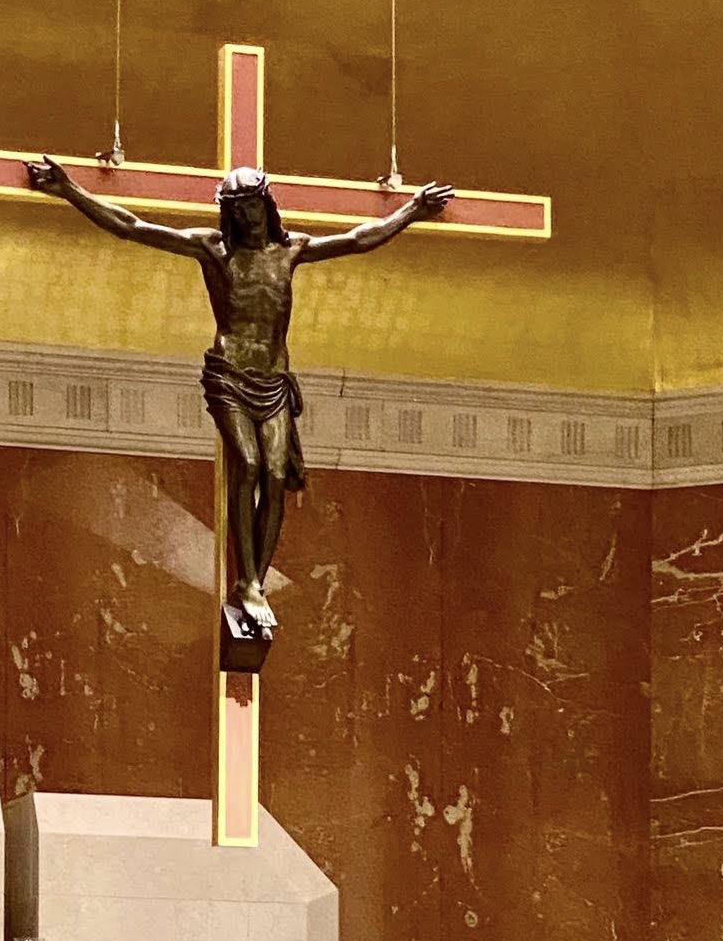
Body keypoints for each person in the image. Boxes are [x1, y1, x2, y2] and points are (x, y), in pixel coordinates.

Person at [25, 158, 453, 632]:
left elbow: (359, 240)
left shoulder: (290, 251)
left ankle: (254, 582)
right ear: (230, 213)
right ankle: (247, 580)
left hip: (273, 378)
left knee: (273, 473)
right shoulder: (212, 249)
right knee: (246, 464)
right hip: (229, 372)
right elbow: (132, 227)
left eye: (255, 207)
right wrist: (69, 190)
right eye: (241, 209)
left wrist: (411, 211)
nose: (249, 218)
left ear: (268, 206)